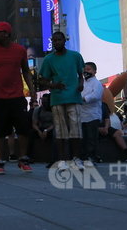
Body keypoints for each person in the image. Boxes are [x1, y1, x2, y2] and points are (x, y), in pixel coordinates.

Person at [0, 21, 35, 174]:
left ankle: (23, 159)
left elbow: (26, 72)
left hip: (17, 96)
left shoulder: (19, 50)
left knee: (23, 128)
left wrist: (33, 91)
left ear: (6, 34)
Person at [38, 31, 84, 171]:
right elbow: (41, 79)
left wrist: (81, 84)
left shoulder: (75, 56)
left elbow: (81, 74)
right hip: (57, 98)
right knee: (60, 130)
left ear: (65, 40)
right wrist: (53, 85)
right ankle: (63, 159)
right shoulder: (48, 60)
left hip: (74, 96)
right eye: (55, 40)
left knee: (76, 128)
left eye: (59, 39)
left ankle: (76, 158)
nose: (57, 42)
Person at [80, 61, 103, 167]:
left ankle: (92, 158)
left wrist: (84, 98)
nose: (86, 71)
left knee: (91, 138)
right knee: (84, 138)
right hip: (82, 115)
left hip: (93, 115)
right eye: (85, 69)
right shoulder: (82, 82)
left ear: (95, 71)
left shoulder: (97, 83)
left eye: (88, 69)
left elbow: (96, 95)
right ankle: (84, 158)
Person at [30, 93, 55, 165]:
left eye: (46, 101)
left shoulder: (54, 109)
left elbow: (55, 124)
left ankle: (53, 159)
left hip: (50, 129)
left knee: (55, 135)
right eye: (43, 101)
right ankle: (29, 156)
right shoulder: (37, 110)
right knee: (31, 133)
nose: (44, 103)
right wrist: (39, 131)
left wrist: (46, 130)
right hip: (41, 129)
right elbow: (34, 124)